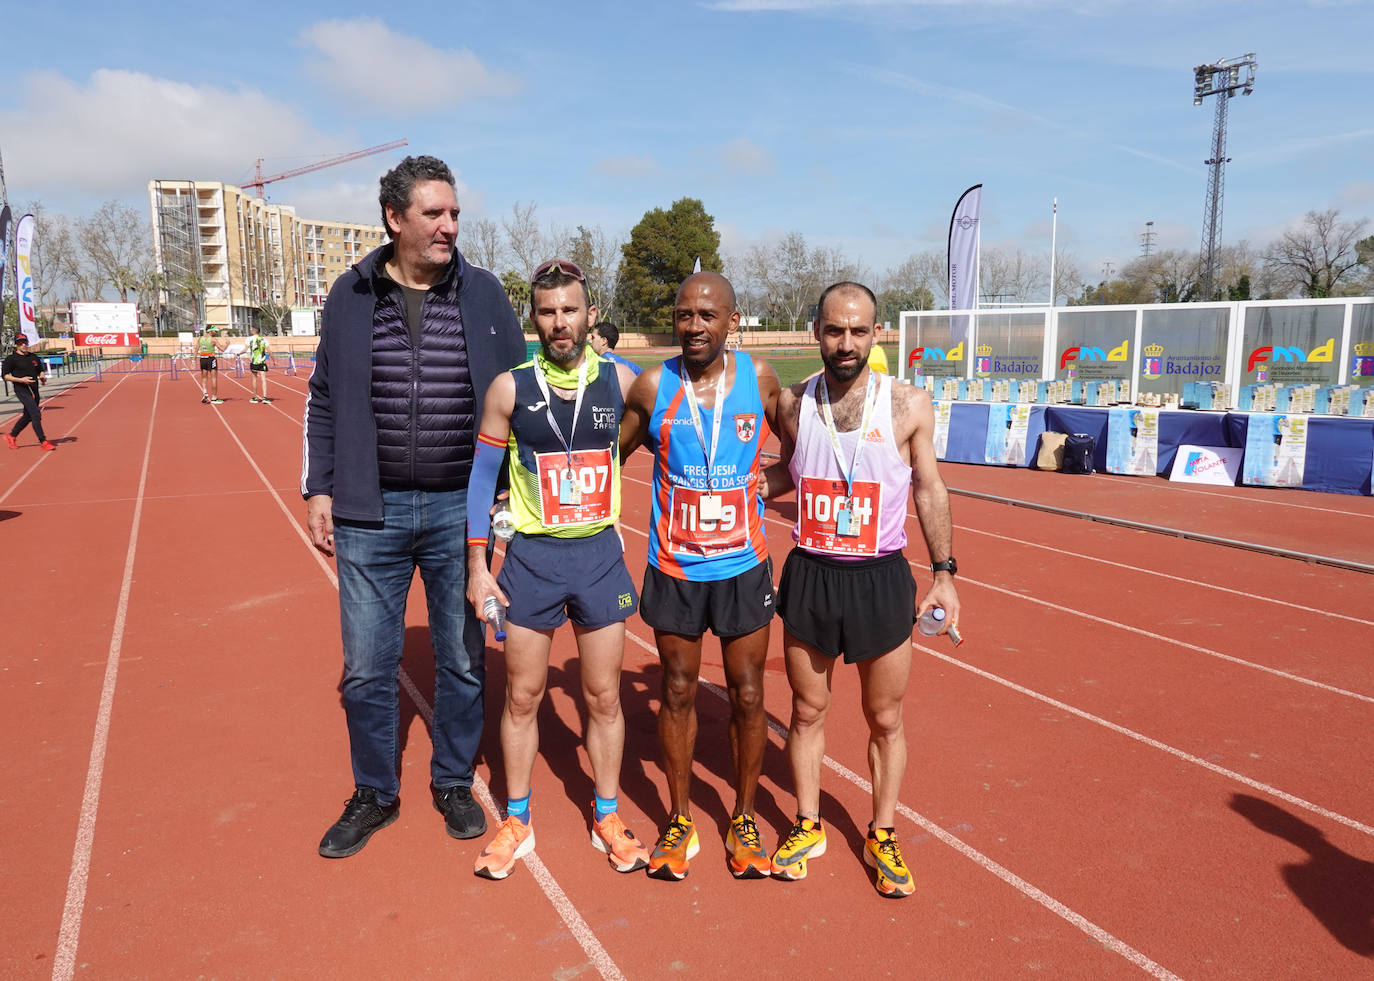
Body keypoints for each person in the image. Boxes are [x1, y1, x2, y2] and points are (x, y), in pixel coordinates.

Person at [303, 155, 525, 859]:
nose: (449, 226)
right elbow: (323, 398)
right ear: (395, 218)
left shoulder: (485, 294)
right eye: (434, 214)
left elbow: (521, 396)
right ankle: (375, 791)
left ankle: (453, 777)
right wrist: (319, 486)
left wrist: (512, 504)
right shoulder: (350, 294)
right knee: (368, 664)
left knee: (462, 660)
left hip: (461, 514)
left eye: (454, 213)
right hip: (372, 510)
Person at [763, 281, 960, 898]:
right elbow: (781, 471)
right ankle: (807, 823)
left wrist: (945, 574)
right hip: (813, 574)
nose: (845, 343)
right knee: (806, 711)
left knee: (885, 717)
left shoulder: (908, 406)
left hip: (880, 577)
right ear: (816, 332)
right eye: (833, 330)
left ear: (877, 334)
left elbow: (929, 489)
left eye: (858, 331)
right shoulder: (793, 406)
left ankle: (882, 832)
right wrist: (719, 482)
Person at [464, 259, 647, 880]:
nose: (559, 322)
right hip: (534, 560)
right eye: (547, 311)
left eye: (570, 310)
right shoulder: (509, 388)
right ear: (533, 317)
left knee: (602, 696)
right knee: (522, 695)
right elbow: (480, 481)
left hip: (598, 555)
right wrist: (478, 567)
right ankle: (517, 819)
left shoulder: (623, 381)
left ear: (590, 315)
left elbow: (678, 423)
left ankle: (606, 813)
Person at [619, 271, 781, 881]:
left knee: (747, 693)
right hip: (676, 565)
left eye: (707, 315)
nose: (693, 326)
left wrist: (778, 482)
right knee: (680, 689)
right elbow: (613, 456)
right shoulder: (654, 385)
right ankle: (680, 817)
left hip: (743, 563)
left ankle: (742, 817)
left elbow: (801, 445)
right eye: (685, 315)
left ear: (731, 322)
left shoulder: (760, 379)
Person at [4, 335, 55, 451]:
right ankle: (43, 441)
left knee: (28, 416)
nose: (24, 345)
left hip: (34, 390)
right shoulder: (11, 359)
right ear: (16, 345)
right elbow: (6, 376)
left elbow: (40, 370)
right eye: (21, 343)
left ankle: (11, 436)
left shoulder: (33, 357)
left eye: (25, 342)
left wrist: (42, 376)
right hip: (22, 389)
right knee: (36, 414)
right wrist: (21, 380)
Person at [197, 328, 225, 404]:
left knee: (204, 378)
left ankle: (205, 393)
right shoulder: (213, 339)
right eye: (214, 331)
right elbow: (222, 349)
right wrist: (227, 344)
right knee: (214, 378)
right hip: (211, 359)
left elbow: (196, 350)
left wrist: (193, 361)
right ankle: (214, 398)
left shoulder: (200, 339)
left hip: (202, 359)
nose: (216, 332)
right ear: (210, 331)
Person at [246, 325, 272, 403]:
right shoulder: (264, 339)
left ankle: (255, 397)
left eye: (251, 330)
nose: (250, 331)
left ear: (254, 331)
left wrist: (239, 353)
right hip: (262, 362)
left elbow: (245, 349)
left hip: (254, 362)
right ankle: (264, 397)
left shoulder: (249, 339)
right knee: (263, 379)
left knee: (254, 379)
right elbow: (269, 351)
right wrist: (273, 359)